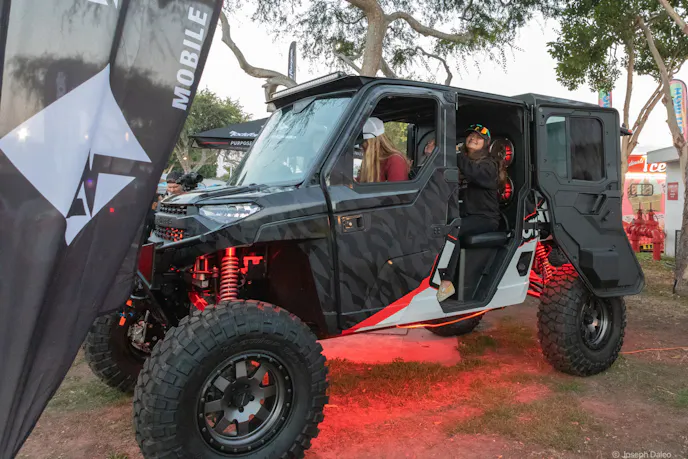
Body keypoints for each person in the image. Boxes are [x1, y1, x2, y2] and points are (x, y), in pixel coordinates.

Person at [436, 123, 507, 302]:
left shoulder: (488, 165)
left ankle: (446, 282)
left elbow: (473, 173)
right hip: (467, 216)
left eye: (479, 137)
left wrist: (456, 153)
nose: (473, 138)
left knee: (453, 231)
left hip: (485, 218)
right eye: (471, 135)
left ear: (486, 143)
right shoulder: (465, 163)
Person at [357, 117, 410, 183]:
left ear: (372, 142)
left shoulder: (394, 160)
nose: (361, 146)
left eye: (362, 142)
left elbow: (396, 188)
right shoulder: (371, 161)